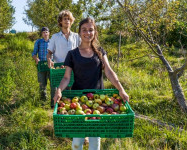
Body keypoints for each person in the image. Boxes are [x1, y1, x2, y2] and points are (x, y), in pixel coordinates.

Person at [53, 17, 130, 150]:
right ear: (79, 32)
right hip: (79, 102)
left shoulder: (99, 51)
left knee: (95, 139)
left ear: (95, 32)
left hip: (99, 100)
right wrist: (59, 90)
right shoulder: (72, 54)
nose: (87, 33)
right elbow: (66, 78)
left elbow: (109, 72)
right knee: (78, 140)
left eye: (91, 30)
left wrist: (121, 89)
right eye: (84, 30)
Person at [47, 10, 81, 108]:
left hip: (75, 68)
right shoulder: (55, 37)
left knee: (74, 93)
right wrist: (49, 59)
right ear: (60, 21)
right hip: (60, 69)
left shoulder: (76, 36)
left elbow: (81, 50)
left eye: (69, 19)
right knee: (62, 93)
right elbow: (49, 52)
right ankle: (59, 111)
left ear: (71, 21)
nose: (67, 21)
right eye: (65, 19)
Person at [32, 27, 50, 101]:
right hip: (41, 65)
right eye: (43, 32)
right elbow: (34, 53)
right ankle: (43, 100)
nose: (45, 34)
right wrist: (36, 59)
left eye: (46, 32)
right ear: (42, 34)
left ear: (49, 33)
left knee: (53, 83)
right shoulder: (38, 42)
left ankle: (54, 100)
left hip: (50, 65)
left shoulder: (52, 42)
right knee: (42, 83)